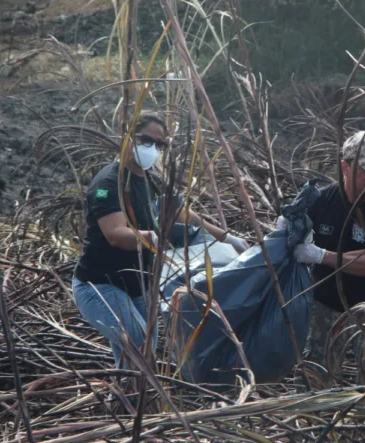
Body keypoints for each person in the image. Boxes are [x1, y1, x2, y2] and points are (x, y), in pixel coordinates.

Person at [72, 113, 250, 369]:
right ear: (127, 138)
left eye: (160, 145)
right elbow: (115, 234)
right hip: (99, 285)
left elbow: (182, 214)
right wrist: (153, 237)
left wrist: (226, 237)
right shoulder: (108, 184)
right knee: (136, 339)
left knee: (144, 348)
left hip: (138, 286)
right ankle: (132, 401)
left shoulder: (151, 182)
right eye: (146, 141)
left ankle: (128, 402)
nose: (152, 149)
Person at [287, 130, 365, 369]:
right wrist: (287, 230)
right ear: (345, 167)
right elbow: (286, 243)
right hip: (324, 303)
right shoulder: (321, 200)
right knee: (315, 373)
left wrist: (321, 256)